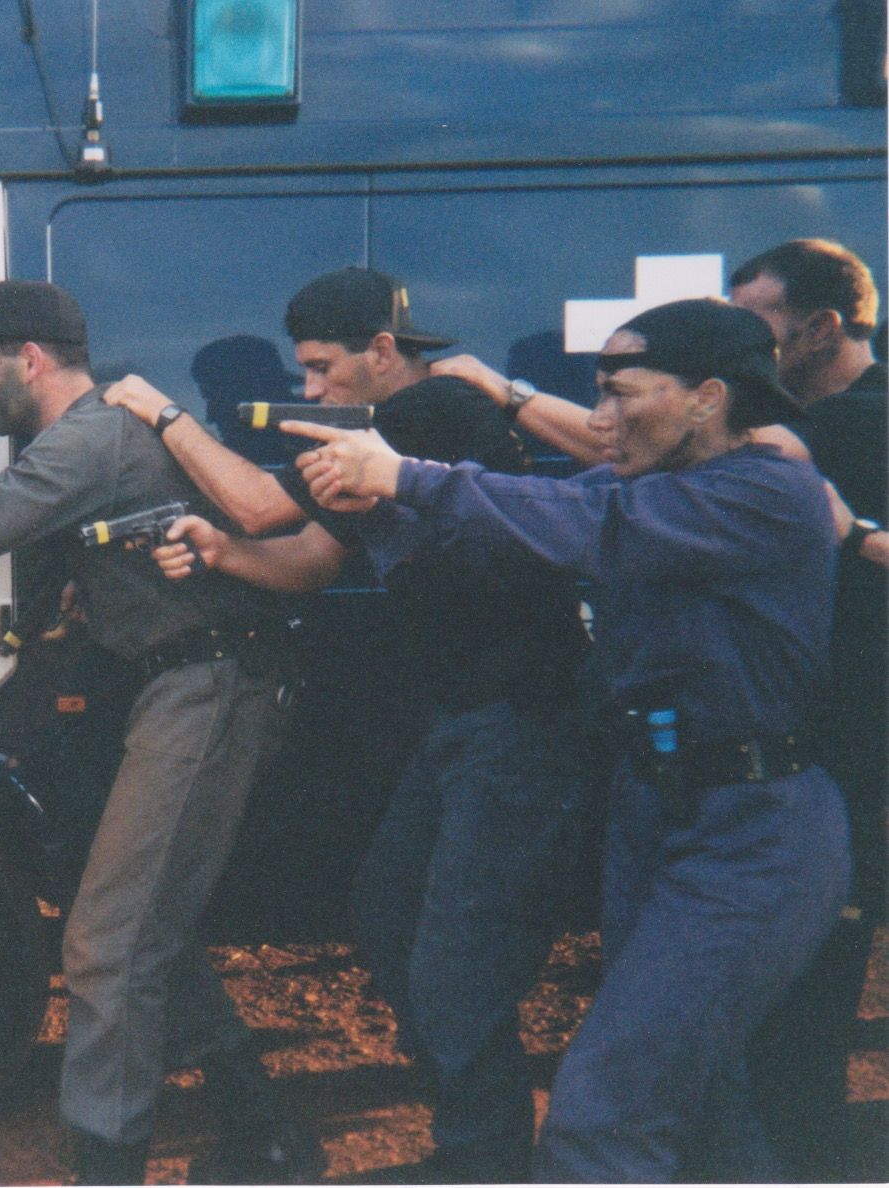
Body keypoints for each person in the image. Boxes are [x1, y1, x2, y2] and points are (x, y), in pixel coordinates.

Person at [292, 298, 852, 1181]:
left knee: (602, 1120)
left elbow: (587, 529)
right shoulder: (648, 485)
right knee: (700, 1109)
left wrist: (406, 477)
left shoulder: (766, 492)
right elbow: (528, 525)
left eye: (621, 395)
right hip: (659, 814)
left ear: (707, 397)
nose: (597, 420)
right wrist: (374, 505)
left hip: (750, 833)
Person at [0, 279, 324, 1186]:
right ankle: (265, 1132)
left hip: (208, 685)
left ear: (31, 360)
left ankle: (108, 1166)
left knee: (107, 943)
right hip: (186, 683)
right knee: (139, 930)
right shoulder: (90, 438)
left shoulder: (88, 437)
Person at [106, 267, 595, 1182]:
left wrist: (161, 415)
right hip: (463, 729)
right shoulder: (382, 441)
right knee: (385, 913)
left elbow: (260, 502)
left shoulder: (433, 409)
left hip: (518, 727)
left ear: (383, 351)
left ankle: (482, 1159)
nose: (315, 391)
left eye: (327, 369)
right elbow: (306, 560)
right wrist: (221, 552)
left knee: (452, 962)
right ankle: (475, 1140)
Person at [729, 238, 886, 1179]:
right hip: (822, 747)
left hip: (860, 754)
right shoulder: (804, 428)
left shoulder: (853, 428)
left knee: (814, 983)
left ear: (822, 327)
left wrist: (855, 533)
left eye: (756, 324)